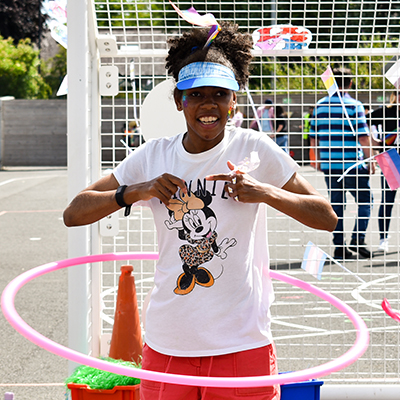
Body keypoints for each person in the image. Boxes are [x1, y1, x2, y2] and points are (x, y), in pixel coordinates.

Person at [64, 21, 337, 400]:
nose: (209, 106)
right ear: (179, 101)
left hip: (242, 342)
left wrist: (265, 192)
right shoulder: (153, 155)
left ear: (234, 101)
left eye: (219, 94)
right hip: (168, 343)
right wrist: (135, 191)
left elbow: (326, 217)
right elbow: (74, 212)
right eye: (196, 95)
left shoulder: (254, 149)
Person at [309, 67, 375, 260]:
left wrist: (317, 160)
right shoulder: (355, 106)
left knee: (337, 205)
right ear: (350, 83)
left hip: (330, 164)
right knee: (365, 202)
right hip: (352, 164)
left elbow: (313, 137)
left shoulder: (320, 106)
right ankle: (357, 238)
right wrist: (370, 160)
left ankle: (339, 247)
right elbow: (363, 137)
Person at [369, 91, 400, 253]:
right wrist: (374, 143)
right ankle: (383, 239)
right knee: (387, 200)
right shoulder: (386, 111)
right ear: (394, 94)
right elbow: (365, 120)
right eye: (399, 92)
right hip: (390, 159)